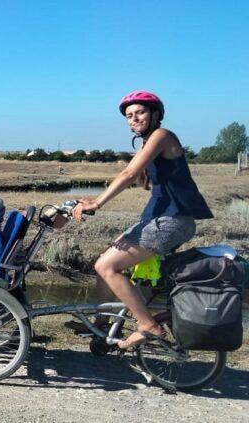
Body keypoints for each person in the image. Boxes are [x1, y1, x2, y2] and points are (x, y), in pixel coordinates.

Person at [69, 90, 212, 349]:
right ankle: (101, 321)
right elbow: (140, 176)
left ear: (155, 114)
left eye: (140, 113)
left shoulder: (162, 135)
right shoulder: (148, 142)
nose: (134, 119)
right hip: (159, 218)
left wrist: (97, 202)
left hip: (172, 219)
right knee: (103, 261)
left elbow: (129, 172)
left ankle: (149, 325)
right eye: (129, 116)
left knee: (107, 267)